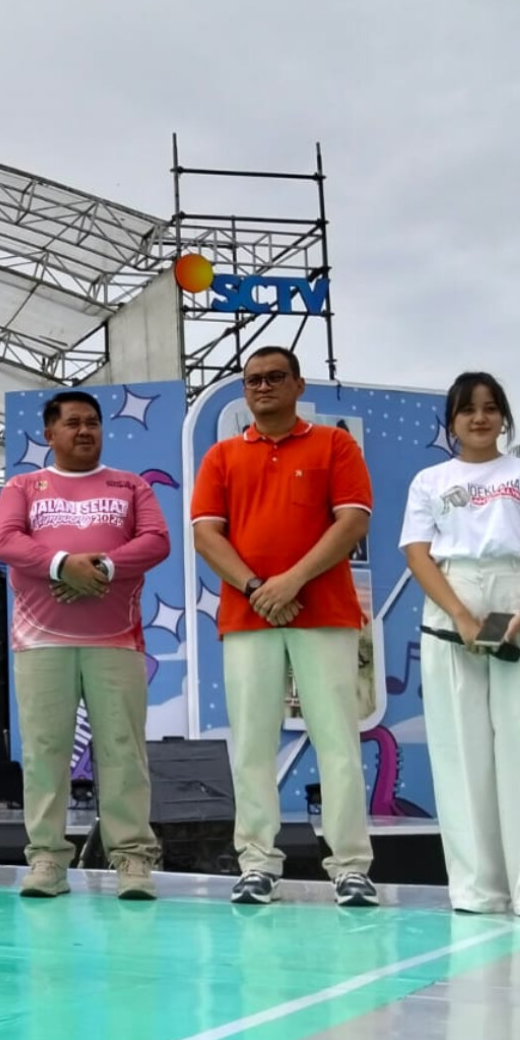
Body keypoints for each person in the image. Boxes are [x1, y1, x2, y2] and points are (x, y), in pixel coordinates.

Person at [189, 347, 377, 907]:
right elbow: (206, 535)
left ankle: (351, 866)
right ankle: (256, 862)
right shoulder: (221, 456)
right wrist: (258, 589)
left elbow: (353, 521)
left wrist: (291, 582)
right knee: (252, 743)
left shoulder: (334, 445)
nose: (263, 386)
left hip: (325, 614)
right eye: (253, 380)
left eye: (275, 377)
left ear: (298, 385)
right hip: (249, 617)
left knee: (338, 741)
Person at [400, 373, 520, 917]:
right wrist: (460, 616)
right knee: (460, 748)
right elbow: (417, 553)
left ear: (503, 416)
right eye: (467, 409)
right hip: (453, 595)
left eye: (490, 407)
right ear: (451, 421)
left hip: (518, 595)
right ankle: (478, 889)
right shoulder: (430, 480)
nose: (480, 418)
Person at [0, 389, 171, 900]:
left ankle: (132, 858)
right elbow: (5, 540)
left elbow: (156, 540)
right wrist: (61, 565)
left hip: (116, 640)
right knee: (45, 750)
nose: (85, 430)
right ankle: (47, 859)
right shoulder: (24, 486)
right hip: (40, 642)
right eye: (72, 423)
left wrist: (103, 567)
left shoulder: (130, 485)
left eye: (92, 422)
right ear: (49, 433)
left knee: (122, 748)